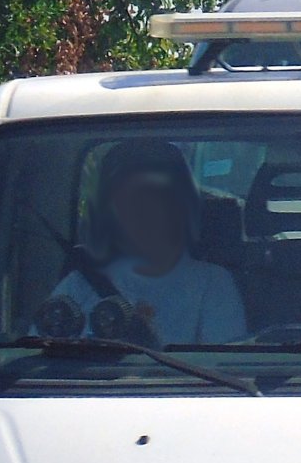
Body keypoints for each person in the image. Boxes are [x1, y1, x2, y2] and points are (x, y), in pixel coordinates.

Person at [44, 139, 247, 346]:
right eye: (129, 199)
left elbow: (222, 369)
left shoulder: (212, 284)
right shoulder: (78, 284)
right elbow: (39, 355)